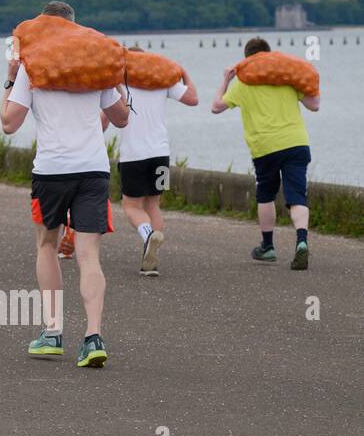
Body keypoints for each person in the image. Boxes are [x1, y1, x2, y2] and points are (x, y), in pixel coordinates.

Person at [0, 2, 130, 369]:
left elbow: (9, 123)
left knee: (47, 244)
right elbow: (120, 119)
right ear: (75, 27)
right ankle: (92, 338)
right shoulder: (95, 65)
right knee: (89, 255)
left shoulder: (31, 65)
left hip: (51, 171)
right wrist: (116, 84)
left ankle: (53, 332)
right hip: (92, 169)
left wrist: (11, 77)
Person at [211, 38, 320, 270]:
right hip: (296, 143)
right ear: (270, 55)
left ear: (247, 59)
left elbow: (216, 106)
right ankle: (301, 241)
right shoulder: (287, 77)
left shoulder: (243, 83)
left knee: (266, 195)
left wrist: (225, 80)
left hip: (265, 147)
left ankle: (268, 247)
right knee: (297, 196)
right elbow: (315, 105)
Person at [118, 48, 198, 276]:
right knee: (153, 204)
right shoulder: (162, 80)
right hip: (161, 154)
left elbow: (108, 118)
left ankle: (147, 236)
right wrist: (183, 72)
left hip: (133, 155)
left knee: (131, 206)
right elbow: (193, 99)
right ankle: (153, 254)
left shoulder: (120, 82)